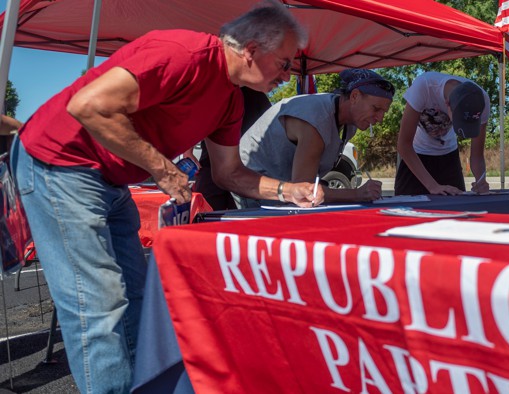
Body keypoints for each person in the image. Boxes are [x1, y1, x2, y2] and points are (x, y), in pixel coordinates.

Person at [9, 3, 323, 392]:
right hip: (59, 162)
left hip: (109, 177)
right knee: (97, 305)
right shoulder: (183, 54)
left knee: (136, 296)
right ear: (252, 49)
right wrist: (162, 168)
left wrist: (288, 190)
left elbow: (230, 174)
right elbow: (88, 105)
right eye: (285, 62)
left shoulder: (230, 100)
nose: (286, 74)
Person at [236, 68, 391, 207]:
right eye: (376, 109)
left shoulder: (350, 126)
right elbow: (305, 191)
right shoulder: (317, 120)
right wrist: (357, 194)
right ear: (355, 96)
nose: (380, 118)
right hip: (253, 181)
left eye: (384, 112)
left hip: (280, 183)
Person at [394, 72, 491, 195]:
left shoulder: (482, 100)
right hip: (417, 155)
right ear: (447, 104)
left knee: (458, 207)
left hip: (449, 157)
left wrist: (480, 180)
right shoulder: (424, 86)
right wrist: (433, 186)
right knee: (406, 209)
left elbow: (477, 155)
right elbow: (404, 145)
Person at [194, 86, 273, 210]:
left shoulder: (255, 96)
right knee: (205, 216)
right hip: (220, 168)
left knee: (205, 218)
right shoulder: (222, 93)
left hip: (244, 173)